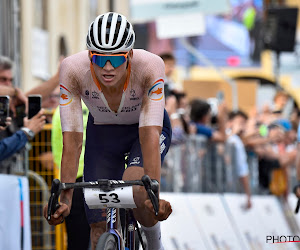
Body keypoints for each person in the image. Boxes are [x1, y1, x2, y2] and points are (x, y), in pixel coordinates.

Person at [44, 12, 172, 250]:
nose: (109, 67)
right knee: (98, 226)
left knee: (136, 189)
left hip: (143, 129)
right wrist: (65, 199)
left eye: (117, 59)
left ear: (130, 55)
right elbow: (72, 142)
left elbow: (149, 135)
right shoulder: (72, 69)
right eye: (100, 60)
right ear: (90, 56)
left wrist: (153, 194)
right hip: (103, 134)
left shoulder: (150, 66)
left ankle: (155, 244)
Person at [51, 102, 90, 249]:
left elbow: (57, 148)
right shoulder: (107, 100)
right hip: (108, 176)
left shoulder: (61, 107)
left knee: (77, 239)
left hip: (73, 180)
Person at [226, 110, 252, 208]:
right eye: (240, 123)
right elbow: (242, 170)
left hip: (231, 187)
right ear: (230, 122)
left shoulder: (237, 140)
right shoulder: (233, 139)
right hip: (226, 187)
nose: (243, 126)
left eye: (244, 123)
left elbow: (243, 169)